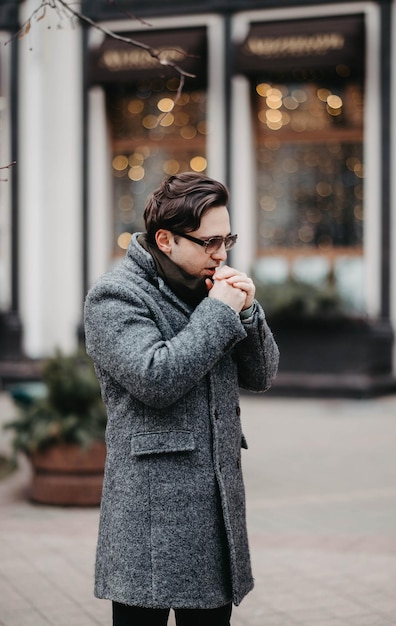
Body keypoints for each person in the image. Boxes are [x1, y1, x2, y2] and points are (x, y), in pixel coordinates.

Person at [84, 172, 279, 626]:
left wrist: (248, 312)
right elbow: (156, 378)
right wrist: (220, 311)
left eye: (227, 238)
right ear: (166, 240)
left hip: (215, 512)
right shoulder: (114, 296)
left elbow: (263, 374)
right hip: (149, 518)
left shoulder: (214, 290)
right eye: (209, 242)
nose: (222, 253)